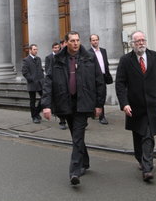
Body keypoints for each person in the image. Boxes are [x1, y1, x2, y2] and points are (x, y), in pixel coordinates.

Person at [42, 31, 105, 186]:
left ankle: (74, 172)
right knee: (76, 135)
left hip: (83, 103)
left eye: (77, 40)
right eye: (72, 41)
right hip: (66, 102)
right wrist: (46, 105)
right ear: (66, 42)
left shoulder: (89, 58)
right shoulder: (57, 59)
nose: (76, 43)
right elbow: (48, 82)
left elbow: (99, 81)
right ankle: (85, 162)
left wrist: (99, 104)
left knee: (77, 136)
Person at [115, 31, 156, 182]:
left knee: (147, 136)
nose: (141, 43)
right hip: (134, 107)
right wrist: (124, 104)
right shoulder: (126, 60)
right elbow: (120, 84)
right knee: (138, 135)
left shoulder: (155, 57)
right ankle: (140, 158)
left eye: (143, 40)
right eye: (137, 41)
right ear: (132, 43)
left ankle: (147, 168)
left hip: (152, 106)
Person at [89, 34, 113, 125]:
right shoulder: (88, 53)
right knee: (94, 96)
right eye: (93, 40)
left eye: (96, 40)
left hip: (103, 77)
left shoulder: (103, 51)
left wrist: (107, 74)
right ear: (90, 42)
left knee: (101, 96)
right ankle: (94, 112)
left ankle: (102, 116)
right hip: (93, 78)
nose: (95, 42)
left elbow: (105, 63)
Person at [44, 42, 67, 130]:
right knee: (60, 103)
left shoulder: (65, 56)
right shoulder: (50, 58)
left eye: (58, 47)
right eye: (55, 47)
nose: (57, 49)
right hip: (56, 82)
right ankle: (62, 121)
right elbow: (47, 70)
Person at [22, 44, 44, 124]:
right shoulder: (26, 60)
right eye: (34, 49)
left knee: (44, 97)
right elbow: (24, 72)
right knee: (32, 100)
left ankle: (37, 112)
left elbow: (40, 69)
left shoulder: (38, 59)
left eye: (36, 49)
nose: (36, 51)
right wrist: (31, 79)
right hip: (32, 83)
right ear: (30, 50)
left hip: (40, 83)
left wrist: (42, 78)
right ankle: (34, 117)